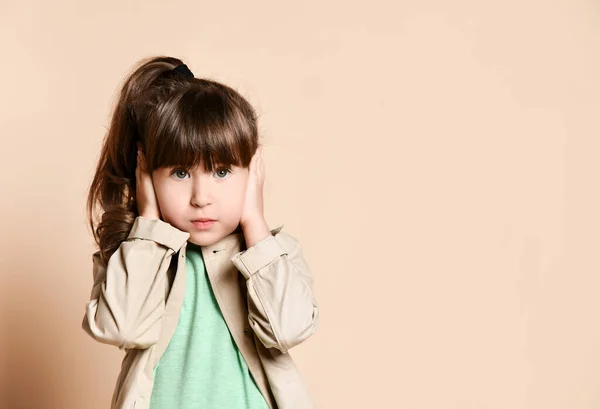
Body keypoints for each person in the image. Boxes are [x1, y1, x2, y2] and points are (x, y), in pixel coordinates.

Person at [82, 56, 319, 409]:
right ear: (146, 174)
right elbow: (122, 328)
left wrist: (254, 220)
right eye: (180, 173)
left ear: (252, 172)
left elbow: (288, 330)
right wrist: (148, 222)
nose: (201, 198)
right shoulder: (134, 254)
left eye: (222, 172)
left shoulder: (272, 254)